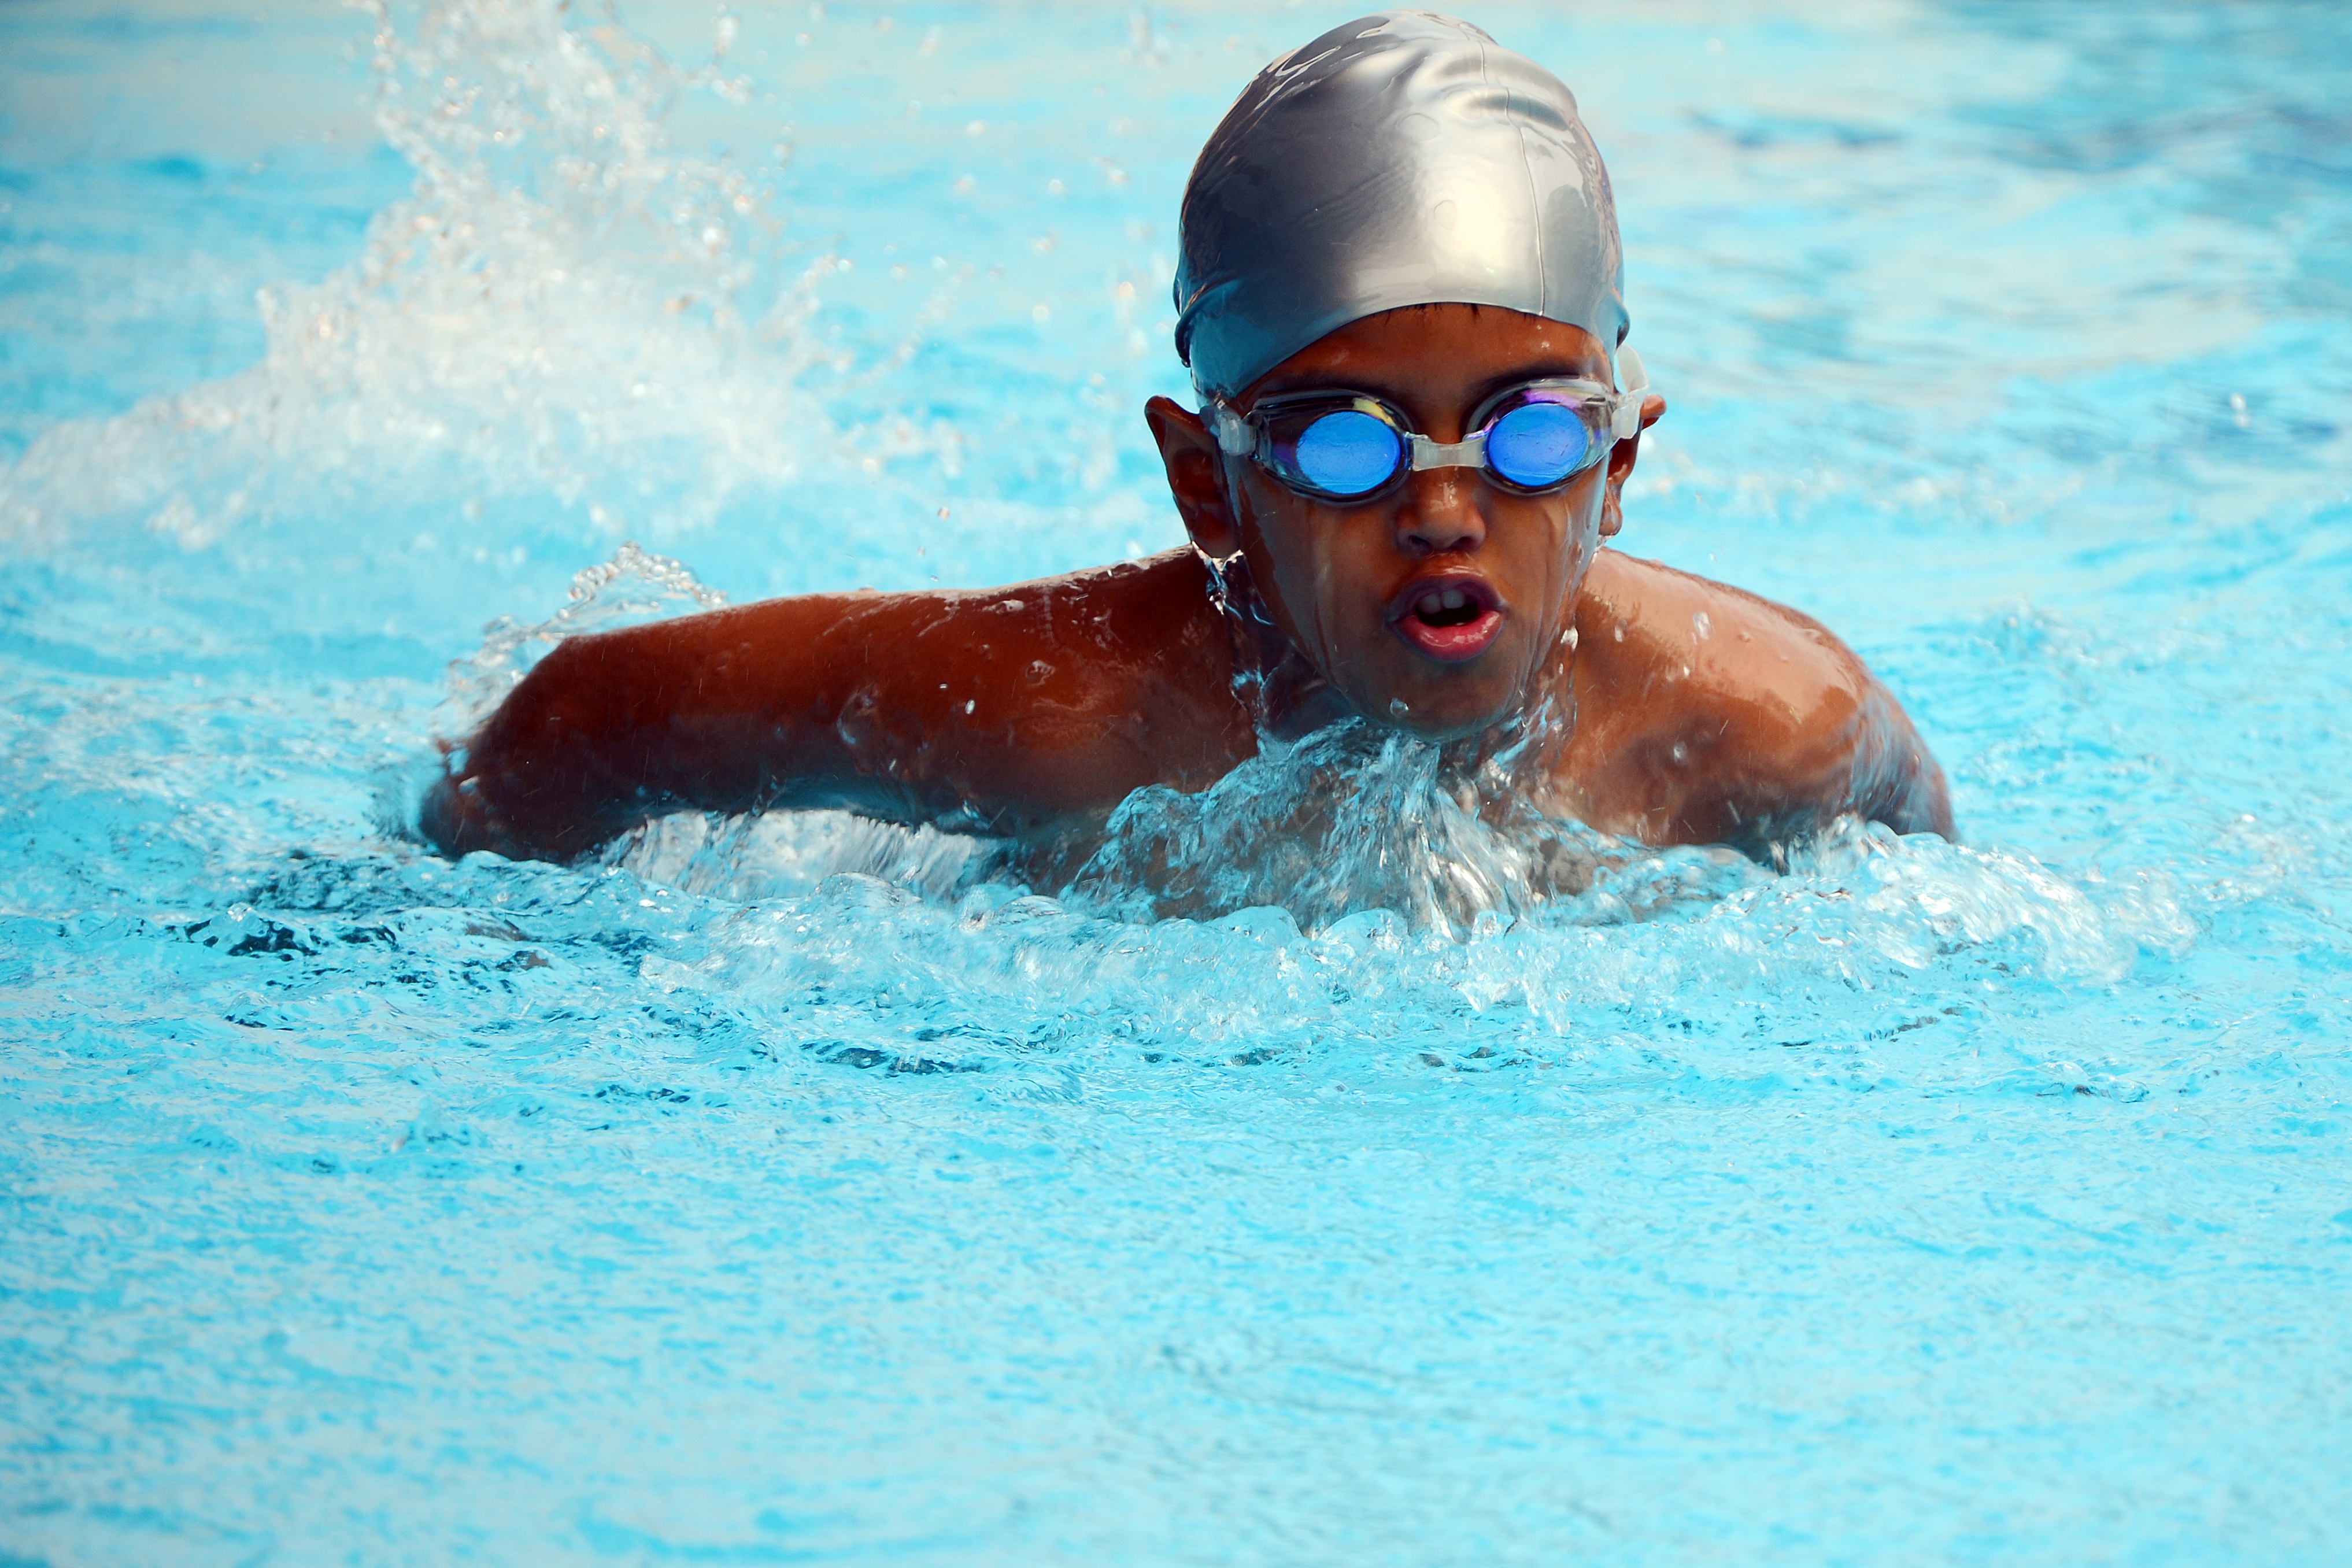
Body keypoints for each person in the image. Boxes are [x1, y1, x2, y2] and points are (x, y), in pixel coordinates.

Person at [420, 10, 1951, 887]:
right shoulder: (1068, 716)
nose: (1441, 507)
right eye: (1344, 441)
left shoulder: (1760, 720)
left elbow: (1917, 840)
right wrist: (416, 926)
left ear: (1614, 469)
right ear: (1207, 484)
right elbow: (583, 719)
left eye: (1526, 431)